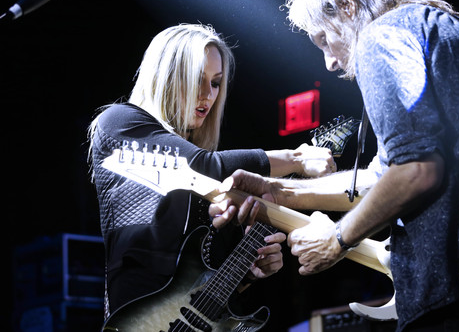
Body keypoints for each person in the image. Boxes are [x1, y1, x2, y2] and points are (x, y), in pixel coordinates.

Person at [211, 0, 459, 331]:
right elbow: (386, 176)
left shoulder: (381, 37)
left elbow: (417, 170)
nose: (329, 62)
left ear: (347, 6)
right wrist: (278, 190)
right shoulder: (441, 28)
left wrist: (337, 238)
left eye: (323, 39)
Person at [88, 23, 336, 321]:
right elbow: (200, 164)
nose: (208, 94)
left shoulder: (214, 180)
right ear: (164, 77)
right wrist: (296, 158)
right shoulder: (120, 123)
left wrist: (249, 272)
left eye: (216, 82)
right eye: (197, 79)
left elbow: (207, 286)